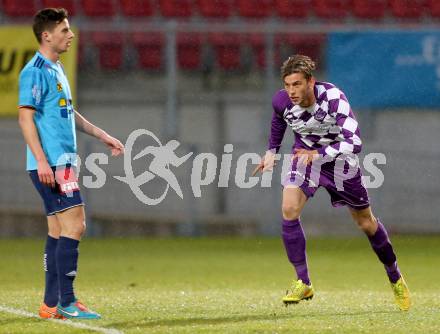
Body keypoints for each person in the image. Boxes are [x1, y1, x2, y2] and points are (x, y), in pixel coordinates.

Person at [256, 55, 410, 311]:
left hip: (340, 163)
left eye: (297, 84)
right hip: (304, 159)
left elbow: (355, 142)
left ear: (310, 82)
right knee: (289, 208)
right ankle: (303, 281)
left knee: (365, 223)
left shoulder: (333, 98)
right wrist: (271, 152)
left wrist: (319, 154)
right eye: (287, 85)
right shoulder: (281, 101)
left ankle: (394, 275)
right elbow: (278, 120)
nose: (291, 91)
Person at [18, 8, 124, 319]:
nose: (71, 34)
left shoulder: (56, 68)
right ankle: (68, 300)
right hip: (51, 164)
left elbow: (68, 111)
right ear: (46, 35)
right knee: (76, 225)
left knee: (57, 229)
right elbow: (25, 118)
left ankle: (51, 304)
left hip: (61, 162)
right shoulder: (34, 71)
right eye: (64, 30)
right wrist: (41, 161)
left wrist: (101, 134)